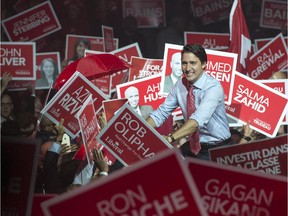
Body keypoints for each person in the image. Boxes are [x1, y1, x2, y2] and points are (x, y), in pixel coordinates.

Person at [146, 44, 232, 160]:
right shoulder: (180, 85)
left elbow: (196, 121)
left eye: (193, 63)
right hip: (194, 147)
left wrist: (171, 138)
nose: (187, 68)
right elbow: (161, 113)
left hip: (218, 149)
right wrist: (141, 130)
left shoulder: (213, 87)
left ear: (203, 64)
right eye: (184, 63)